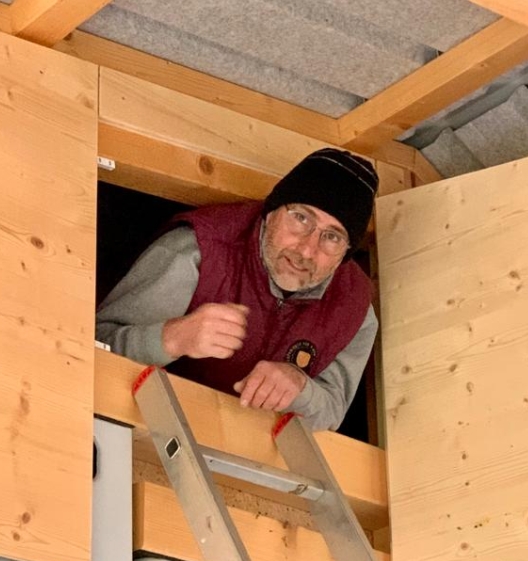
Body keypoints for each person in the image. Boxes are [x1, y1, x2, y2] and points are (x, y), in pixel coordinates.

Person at [96, 148, 379, 431]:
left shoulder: (355, 309)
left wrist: (302, 389)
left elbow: (332, 411)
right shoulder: (198, 251)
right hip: (140, 423)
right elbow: (98, 344)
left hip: (249, 449)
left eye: (332, 237)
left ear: (345, 254)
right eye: (301, 218)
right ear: (271, 212)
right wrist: (172, 339)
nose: (306, 249)